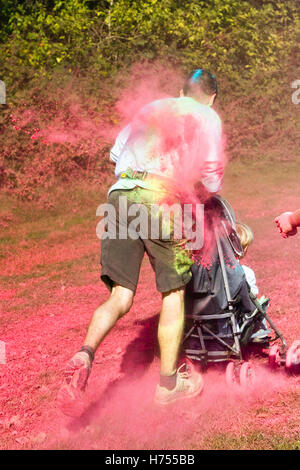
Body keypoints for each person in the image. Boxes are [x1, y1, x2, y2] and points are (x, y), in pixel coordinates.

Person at [57, 69, 225, 414]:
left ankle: (84, 353)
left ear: (181, 90)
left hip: (120, 194)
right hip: (159, 199)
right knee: (174, 291)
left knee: (121, 296)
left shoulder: (153, 107)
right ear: (211, 97)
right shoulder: (207, 115)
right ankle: (168, 385)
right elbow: (211, 175)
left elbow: (116, 156)